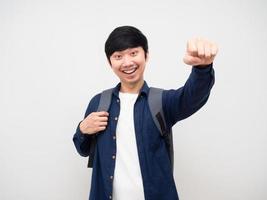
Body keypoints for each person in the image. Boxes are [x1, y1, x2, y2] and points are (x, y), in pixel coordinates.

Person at [73, 25, 218, 200]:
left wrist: (202, 68)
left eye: (133, 53)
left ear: (146, 55)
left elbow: (192, 96)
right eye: (118, 56)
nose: (127, 62)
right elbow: (83, 149)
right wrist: (82, 129)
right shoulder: (99, 102)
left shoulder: (161, 101)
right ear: (110, 62)